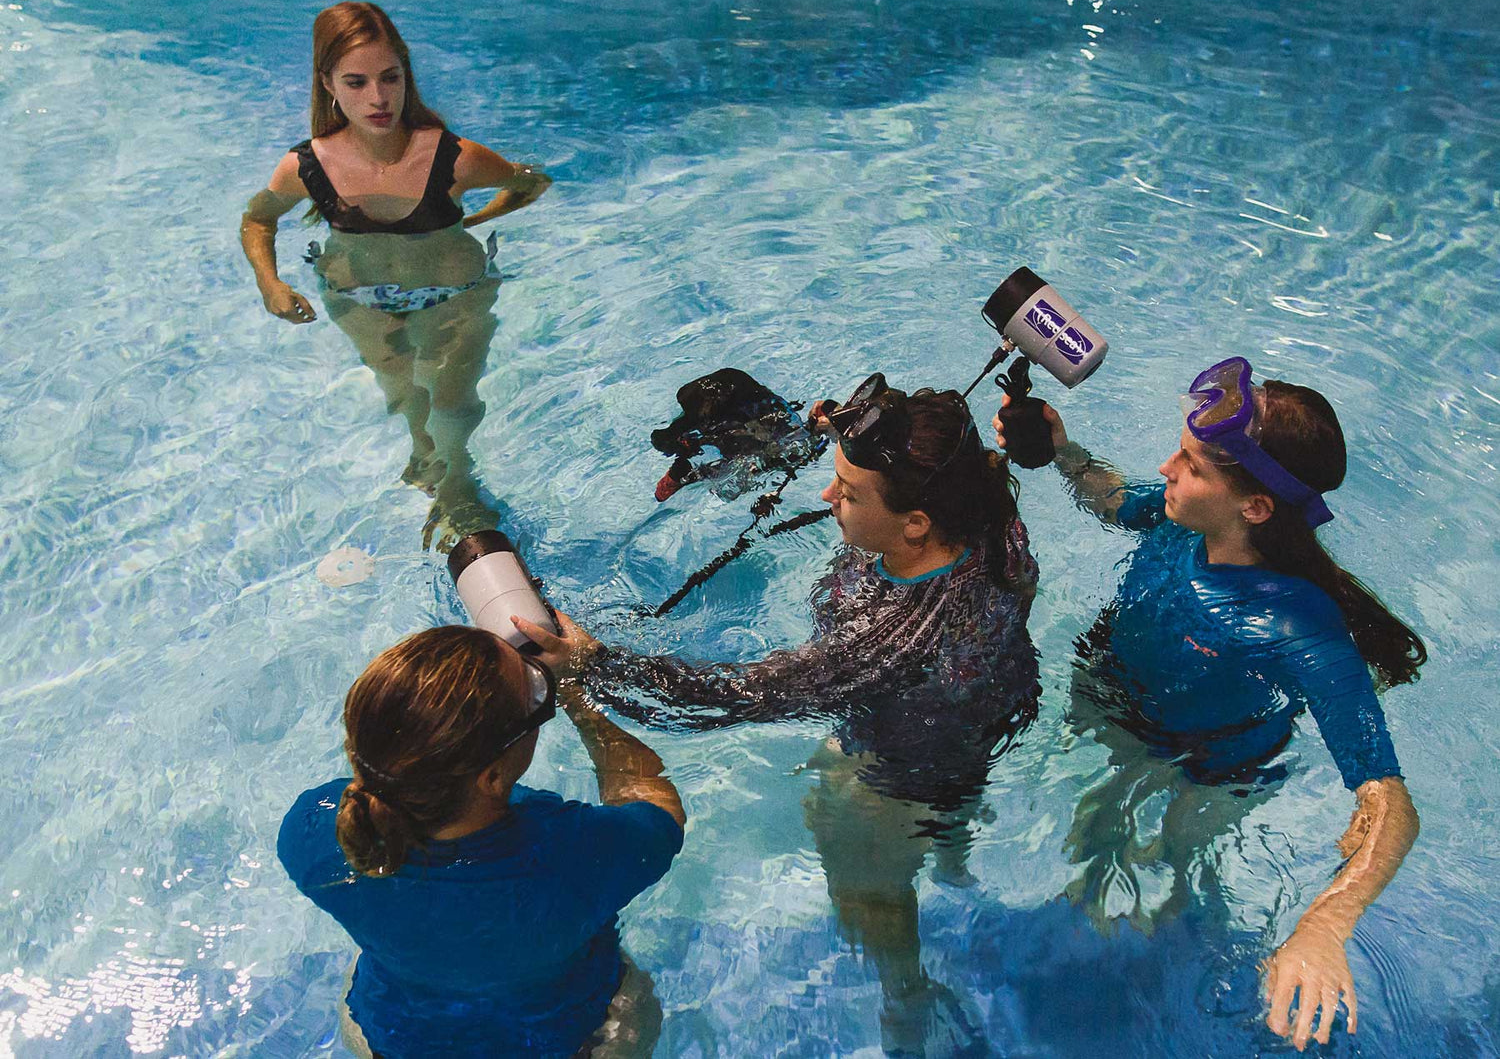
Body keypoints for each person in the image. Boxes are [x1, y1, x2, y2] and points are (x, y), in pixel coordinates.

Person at [524, 376, 1040, 1057]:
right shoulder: (986, 511)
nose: (829, 496)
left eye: (849, 492)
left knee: (867, 890)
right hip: (979, 723)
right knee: (949, 805)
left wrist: (596, 664)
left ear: (916, 524)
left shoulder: (891, 636)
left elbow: (740, 694)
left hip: (894, 772)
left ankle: (904, 995)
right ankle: (954, 863)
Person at [994, 356, 1423, 1052]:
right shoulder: (1178, 520)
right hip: (1123, 699)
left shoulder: (1298, 628)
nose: (1166, 468)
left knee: (1184, 850)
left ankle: (1183, 910)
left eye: (1192, 464)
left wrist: (1323, 925)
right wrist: (1061, 449)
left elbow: (1391, 804)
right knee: (1096, 824)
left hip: (1219, 755)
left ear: (1253, 508)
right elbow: (1110, 498)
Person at [277, 625, 685, 1058]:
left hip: (389, 1041)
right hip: (580, 1041)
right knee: (631, 1006)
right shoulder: (575, 853)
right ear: (490, 777)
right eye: (532, 692)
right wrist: (574, 695)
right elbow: (657, 808)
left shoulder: (312, 833)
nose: (537, 687)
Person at [240, 1, 550, 549]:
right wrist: (271, 283)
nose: (378, 99)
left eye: (391, 78)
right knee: (405, 392)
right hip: (358, 298)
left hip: (453, 295)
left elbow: (530, 183)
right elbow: (258, 219)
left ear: (408, 75)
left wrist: (479, 218)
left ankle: (457, 482)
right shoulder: (305, 167)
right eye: (356, 82)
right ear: (327, 83)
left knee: (452, 399)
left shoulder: (456, 159)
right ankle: (423, 452)